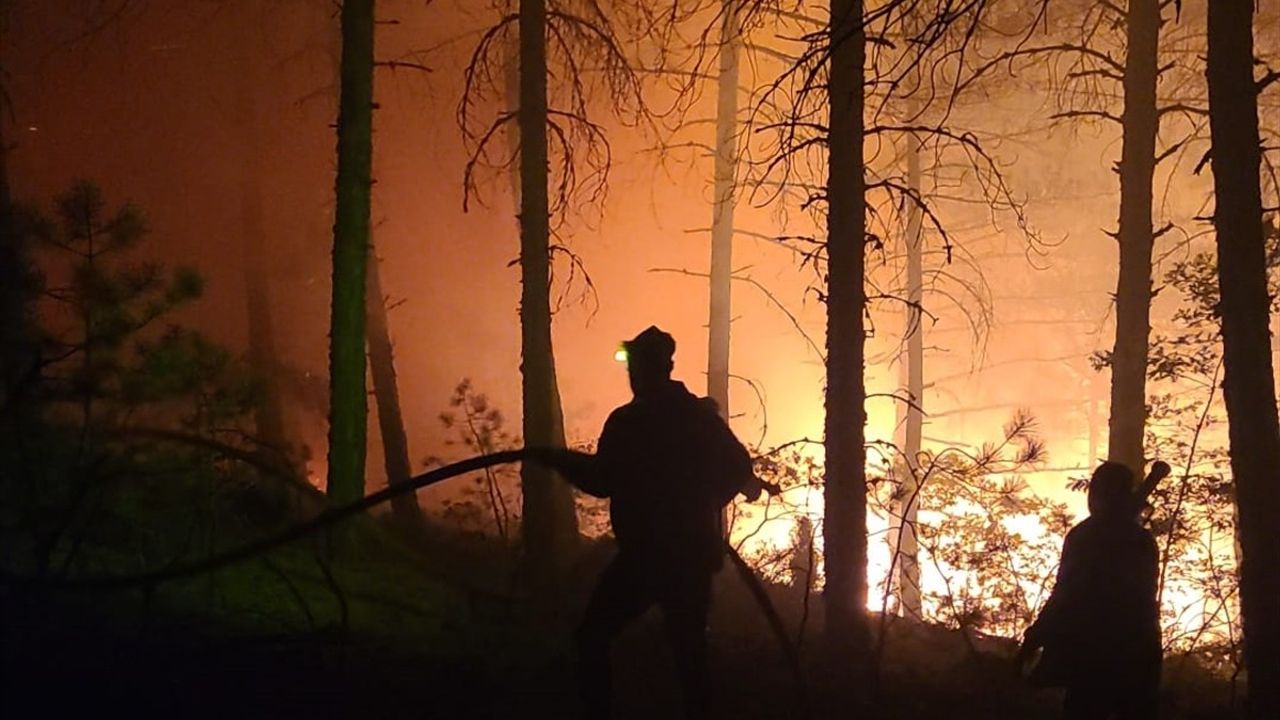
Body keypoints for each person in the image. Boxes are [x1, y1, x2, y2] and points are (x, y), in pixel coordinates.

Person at [533, 325, 762, 719]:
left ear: (655, 368)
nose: (634, 375)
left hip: (648, 559)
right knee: (690, 656)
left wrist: (556, 459)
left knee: (593, 637)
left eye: (638, 366)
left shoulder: (630, 422)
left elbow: (600, 480)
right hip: (689, 557)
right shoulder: (696, 417)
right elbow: (740, 469)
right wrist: (706, 506)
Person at [1020, 461, 1162, 720]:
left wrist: (1033, 641)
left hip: (1093, 656)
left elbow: (1066, 596)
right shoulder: (1141, 541)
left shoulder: (1085, 538)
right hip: (1138, 655)